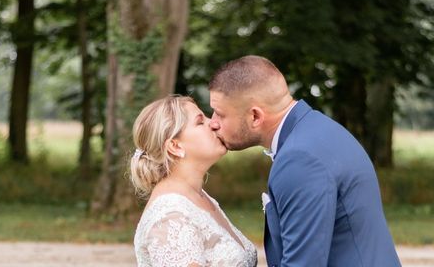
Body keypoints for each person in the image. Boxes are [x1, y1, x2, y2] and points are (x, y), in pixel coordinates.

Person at [208, 55, 401, 267]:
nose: (213, 123)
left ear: (255, 116)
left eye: (220, 114)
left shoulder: (299, 159)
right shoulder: (316, 129)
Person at [131, 95, 258, 267]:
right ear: (175, 146)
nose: (214, 123)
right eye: (200, 122)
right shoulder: (170, 216)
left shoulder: (199, 197)